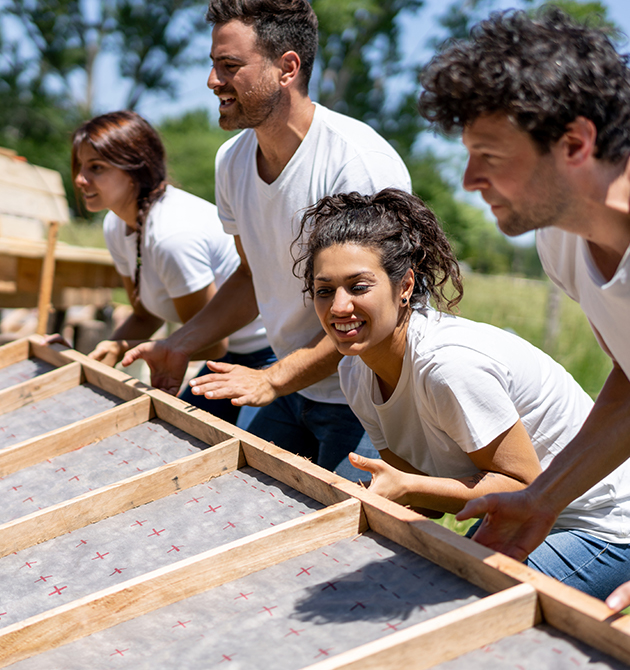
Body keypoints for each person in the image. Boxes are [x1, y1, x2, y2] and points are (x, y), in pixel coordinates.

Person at [294, 187, 630, 600]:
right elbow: (421, 493)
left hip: (599, 523)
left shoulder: (447, 366)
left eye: (358, 286)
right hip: (521, 515)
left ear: (405, 287)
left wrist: (406, 491)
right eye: (324, 290)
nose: (338, 307)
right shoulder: (355, 372)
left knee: (467, 606)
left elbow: (522, 486)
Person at [121, 0, 412, 473]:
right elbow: (251, 275)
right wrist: (181, 344)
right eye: (213, 66)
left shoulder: (354, 163)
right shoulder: (231, 162)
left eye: (229, 66)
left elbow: (375, 311)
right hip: (290, 383)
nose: (213, 81)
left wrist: (274, 378)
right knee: (240, 505)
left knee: (347, 543)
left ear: (287, 68)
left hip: (369, 396)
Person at [418, 7, 630, 608]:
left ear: (574, 143)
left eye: (489, 155)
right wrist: (543, 499)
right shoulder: (560, 238)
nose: (467, 179)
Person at [71, 110, 273, 425]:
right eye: (80, 167)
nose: (80, 179)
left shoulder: (172, 236)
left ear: (135, 169)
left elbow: (211, 342)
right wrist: (104, 353)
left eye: (96, 168)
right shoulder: (116, 224)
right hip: (223, 356)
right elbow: (144, 314)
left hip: (264, 356)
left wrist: (128, 349)